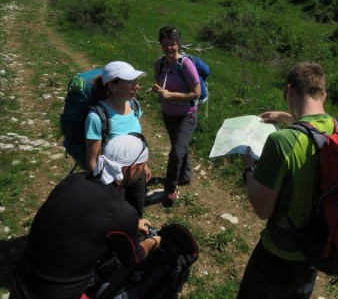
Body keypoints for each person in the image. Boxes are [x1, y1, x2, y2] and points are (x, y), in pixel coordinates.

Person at [10, 135, 161, 299]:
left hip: (20, 283)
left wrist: (129, 224)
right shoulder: (123, 212)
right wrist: (153, 241)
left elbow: (89, 217)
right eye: (142, 167)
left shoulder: (73, 180)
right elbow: (133, 258)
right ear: (132, 169)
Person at [237, 62, 335, 298]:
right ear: (323, 94)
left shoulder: (281, 142)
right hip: (315, 250)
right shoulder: (337, 130)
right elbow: (312, 132)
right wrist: (284, 116)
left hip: (279, 254)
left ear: (289, 90)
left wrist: (248, 169)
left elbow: (262, 209)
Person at [85, 60, 151, 217]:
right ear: (112, 86)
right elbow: (92, 162)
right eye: (130, 82)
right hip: (113, 181)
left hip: (136, 172)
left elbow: (137, 139)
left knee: (136, 212)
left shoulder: (134, 105)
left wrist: (144, 165)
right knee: (115, 216)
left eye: (136, 81)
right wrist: (105, 190)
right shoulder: (96, 117)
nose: (137, 86)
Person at [149, 26, 201, 207]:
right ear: (161, 45)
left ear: (178, 44)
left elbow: (196, 92)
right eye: (165, 44)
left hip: (187, 115)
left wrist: (170, 95)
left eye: (172, 44)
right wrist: (158, 90)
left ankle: (169, 189)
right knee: (179, 146)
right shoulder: (160, 64)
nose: (169, 48)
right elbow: (159, 83)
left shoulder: (186, 65)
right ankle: (185, 176)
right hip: (168, 114)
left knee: (176, 152)